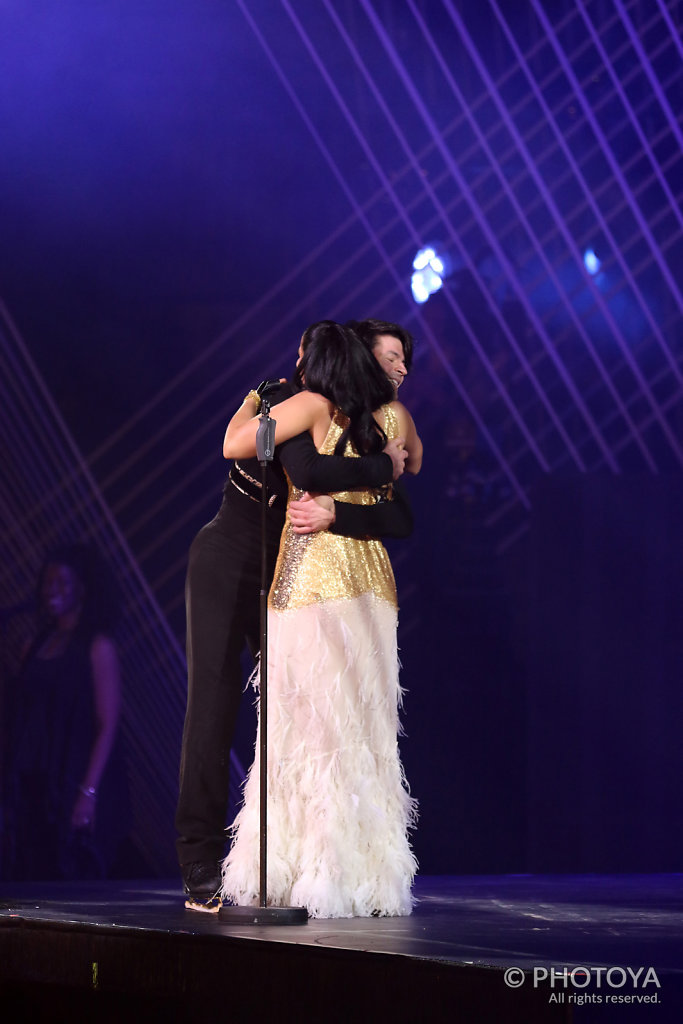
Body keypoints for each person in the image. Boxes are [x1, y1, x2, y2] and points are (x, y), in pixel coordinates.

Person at [176, 322, 416, 911]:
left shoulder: (355, 418)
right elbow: (302, 470)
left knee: (299, 714)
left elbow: (396, 512)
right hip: (233, 555)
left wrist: (377, 469)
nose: (396, 370)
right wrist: (381, 465)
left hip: (295, 571)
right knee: (215, 699)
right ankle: (199, 857)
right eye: (387, 358)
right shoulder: (291, 401)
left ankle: (298, 860)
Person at [4, 544, 128, 880]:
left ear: (82, 589)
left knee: (66, 878)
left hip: (71, 778)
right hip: (33, 777)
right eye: (47, 582)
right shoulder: (37, 643)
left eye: (62, 583)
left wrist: (88, 792)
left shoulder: (97, 646)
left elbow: (107, 723)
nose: (51, 591)